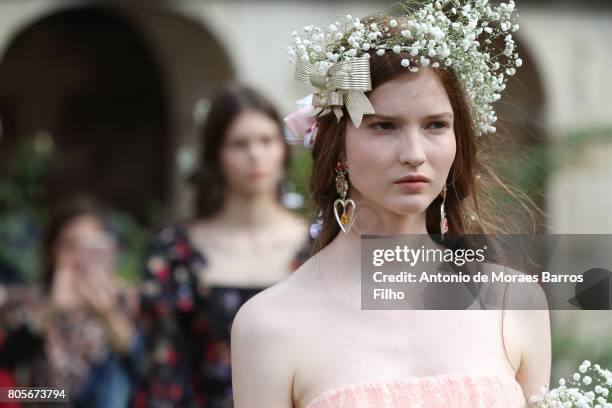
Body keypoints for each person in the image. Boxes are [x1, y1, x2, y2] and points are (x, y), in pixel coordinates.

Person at [231, 3, 551, 407]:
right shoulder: (269, 324)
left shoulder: (515, 303)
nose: (414, 153)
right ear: (338, 142)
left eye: (435, 125)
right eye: (384, 126)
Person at [136, 83, 309, 407]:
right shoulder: (174, 251)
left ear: (284, 148)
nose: (255, 155)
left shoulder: (320, 241)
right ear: (215, 155)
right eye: (239, 144)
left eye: (266, 141)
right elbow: (160, 369)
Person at [40, 196, 141, 408]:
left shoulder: (130, 302)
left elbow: (147, 377)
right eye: (70, 245)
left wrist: (110, 318)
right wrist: (51, 315)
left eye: (92, 246)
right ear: (52, 251)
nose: (80, 256)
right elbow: (8, 394)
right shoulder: (29, 304)